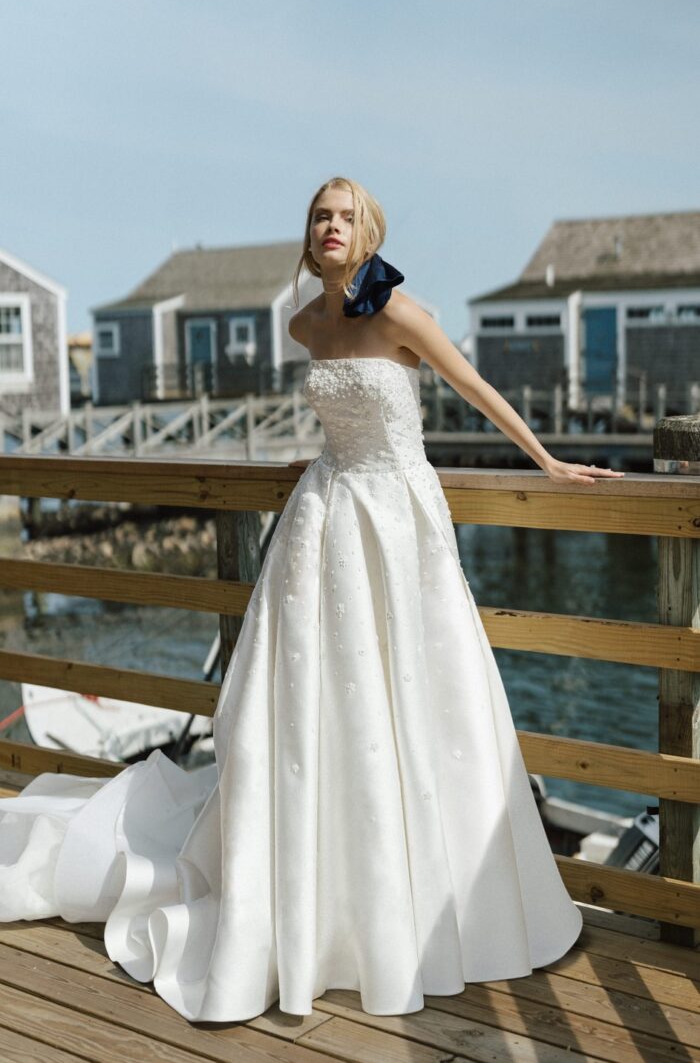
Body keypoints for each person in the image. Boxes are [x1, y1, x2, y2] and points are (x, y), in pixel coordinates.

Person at [0, 176, 624, 1025]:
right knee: (305, 703)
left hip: (399, 519)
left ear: (366, 232)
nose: (331, 227)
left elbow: (472, 386)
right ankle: (315, 892)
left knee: (417, 694)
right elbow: (340, 422)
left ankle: (430, 898)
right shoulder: (304, 324)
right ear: (311, 237)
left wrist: (549, 463)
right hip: (324, 517)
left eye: (344, 216)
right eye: (319, 217)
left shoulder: (398, 312)